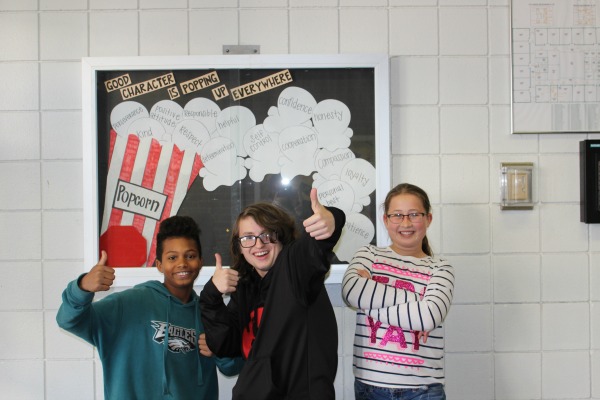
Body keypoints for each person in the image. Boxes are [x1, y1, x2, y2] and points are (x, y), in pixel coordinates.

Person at [56, 216, 243, 400]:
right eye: (172, 257)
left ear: (200, 262)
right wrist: (82, 287)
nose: (182, 263)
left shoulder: (209, 312)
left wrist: (218, 349)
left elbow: (232, 367)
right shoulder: (128, 304)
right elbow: (68, 320)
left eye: (190, 256)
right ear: (160, 265)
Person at [199, 188, 345, 400]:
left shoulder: (295, 269)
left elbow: (314, 246)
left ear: (281, 237)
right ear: (239, 247)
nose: (258, 244)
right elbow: (225, 345)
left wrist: (332, 218)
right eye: (248, 238)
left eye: (267, 234)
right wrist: (211, 294)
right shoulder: (246, 287)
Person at [341, 183, 455, 400]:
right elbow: (351, 292)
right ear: (385, 220)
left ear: (428, 219)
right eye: (397, 215)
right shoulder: (369, 254)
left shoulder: (441, 267)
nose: (406, 223)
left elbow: (429, 316)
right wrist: (417, 302)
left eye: (414, 214)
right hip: (370, 387)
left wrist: (371, 299)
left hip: (423, 390)